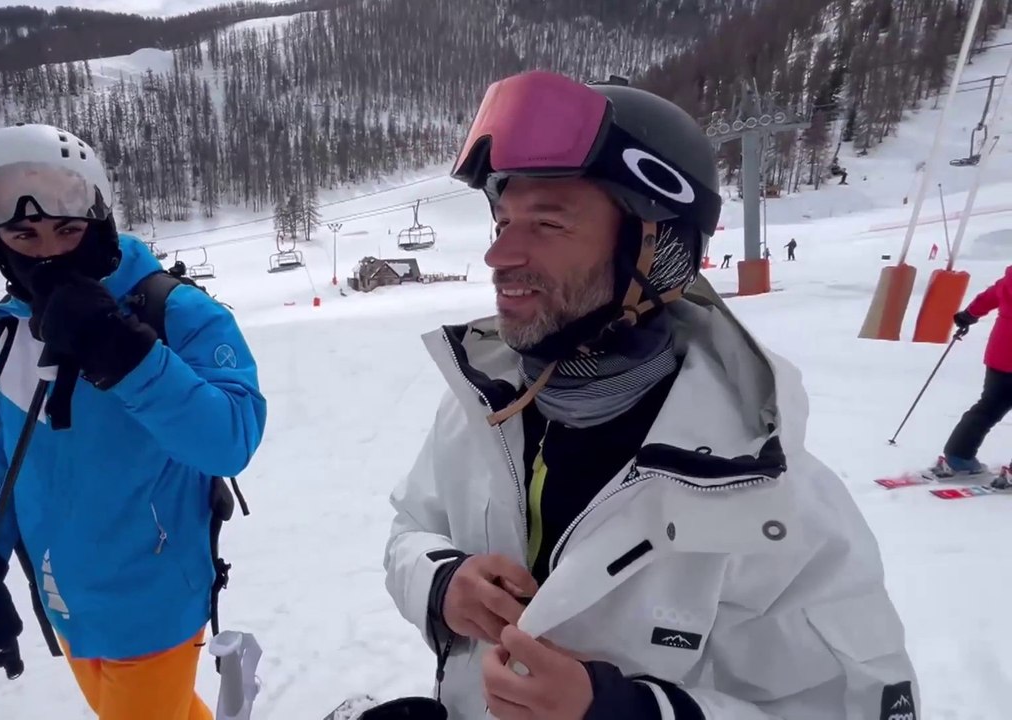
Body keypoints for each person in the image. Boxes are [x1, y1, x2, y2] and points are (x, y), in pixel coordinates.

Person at [383, 71, 919, 720]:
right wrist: (442, 584)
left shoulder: (766, 500)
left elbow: (857, 706)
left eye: (548, 224)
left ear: (656, 251)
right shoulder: (482, 410)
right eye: (503, 220)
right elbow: (413, 527)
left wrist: (629, 712)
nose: (501, 255)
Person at [0, 122, 267, 720]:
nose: (47, 252)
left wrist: (126, 353)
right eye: (23, 234)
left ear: (99, 222)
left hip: (153, 598)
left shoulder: (175, 312)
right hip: (64, 598)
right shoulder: (5, 331)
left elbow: (231, 440)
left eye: (67, 230)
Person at [934, 266, 1012, 489]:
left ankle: (958, 458)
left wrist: (968, 316)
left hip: (1001, 356)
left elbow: (987, 298)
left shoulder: (1009, 280)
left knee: (988, 407)